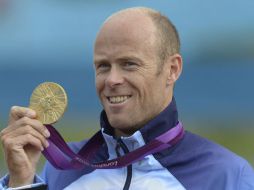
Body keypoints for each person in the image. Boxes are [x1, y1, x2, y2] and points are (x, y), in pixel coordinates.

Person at [0, 7, 254, 190]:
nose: (112, 80)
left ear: (172, 69)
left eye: (129, 64)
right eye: (103, 66)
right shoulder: (62, 170)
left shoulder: (226, 175)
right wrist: (21, 181)